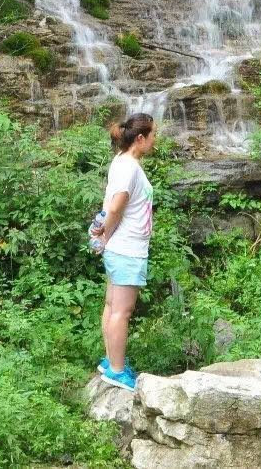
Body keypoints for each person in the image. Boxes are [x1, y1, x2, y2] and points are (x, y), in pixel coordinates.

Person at [95, 113, 157, 391]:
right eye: (153, 135)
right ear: (140, 138)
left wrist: (104, 235)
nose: (155, 140)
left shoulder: (121, 162)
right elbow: (117, 205)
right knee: (122, 310)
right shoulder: (129, 167)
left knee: (111, 306)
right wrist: (103, 233)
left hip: (121, 247)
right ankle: (117, 371)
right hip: (127, 249)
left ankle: (111, 361)